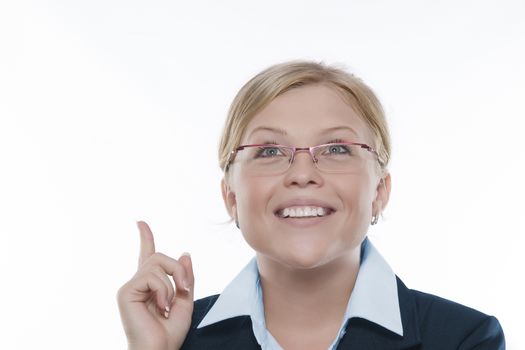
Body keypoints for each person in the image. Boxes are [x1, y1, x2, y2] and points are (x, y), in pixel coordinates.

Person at [117, 61, 506, 350]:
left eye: (337, 148)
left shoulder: (463, 339)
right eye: (269, 150)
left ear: (380, 191)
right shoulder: (176, 340)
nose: (302, 173)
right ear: (231, 196)